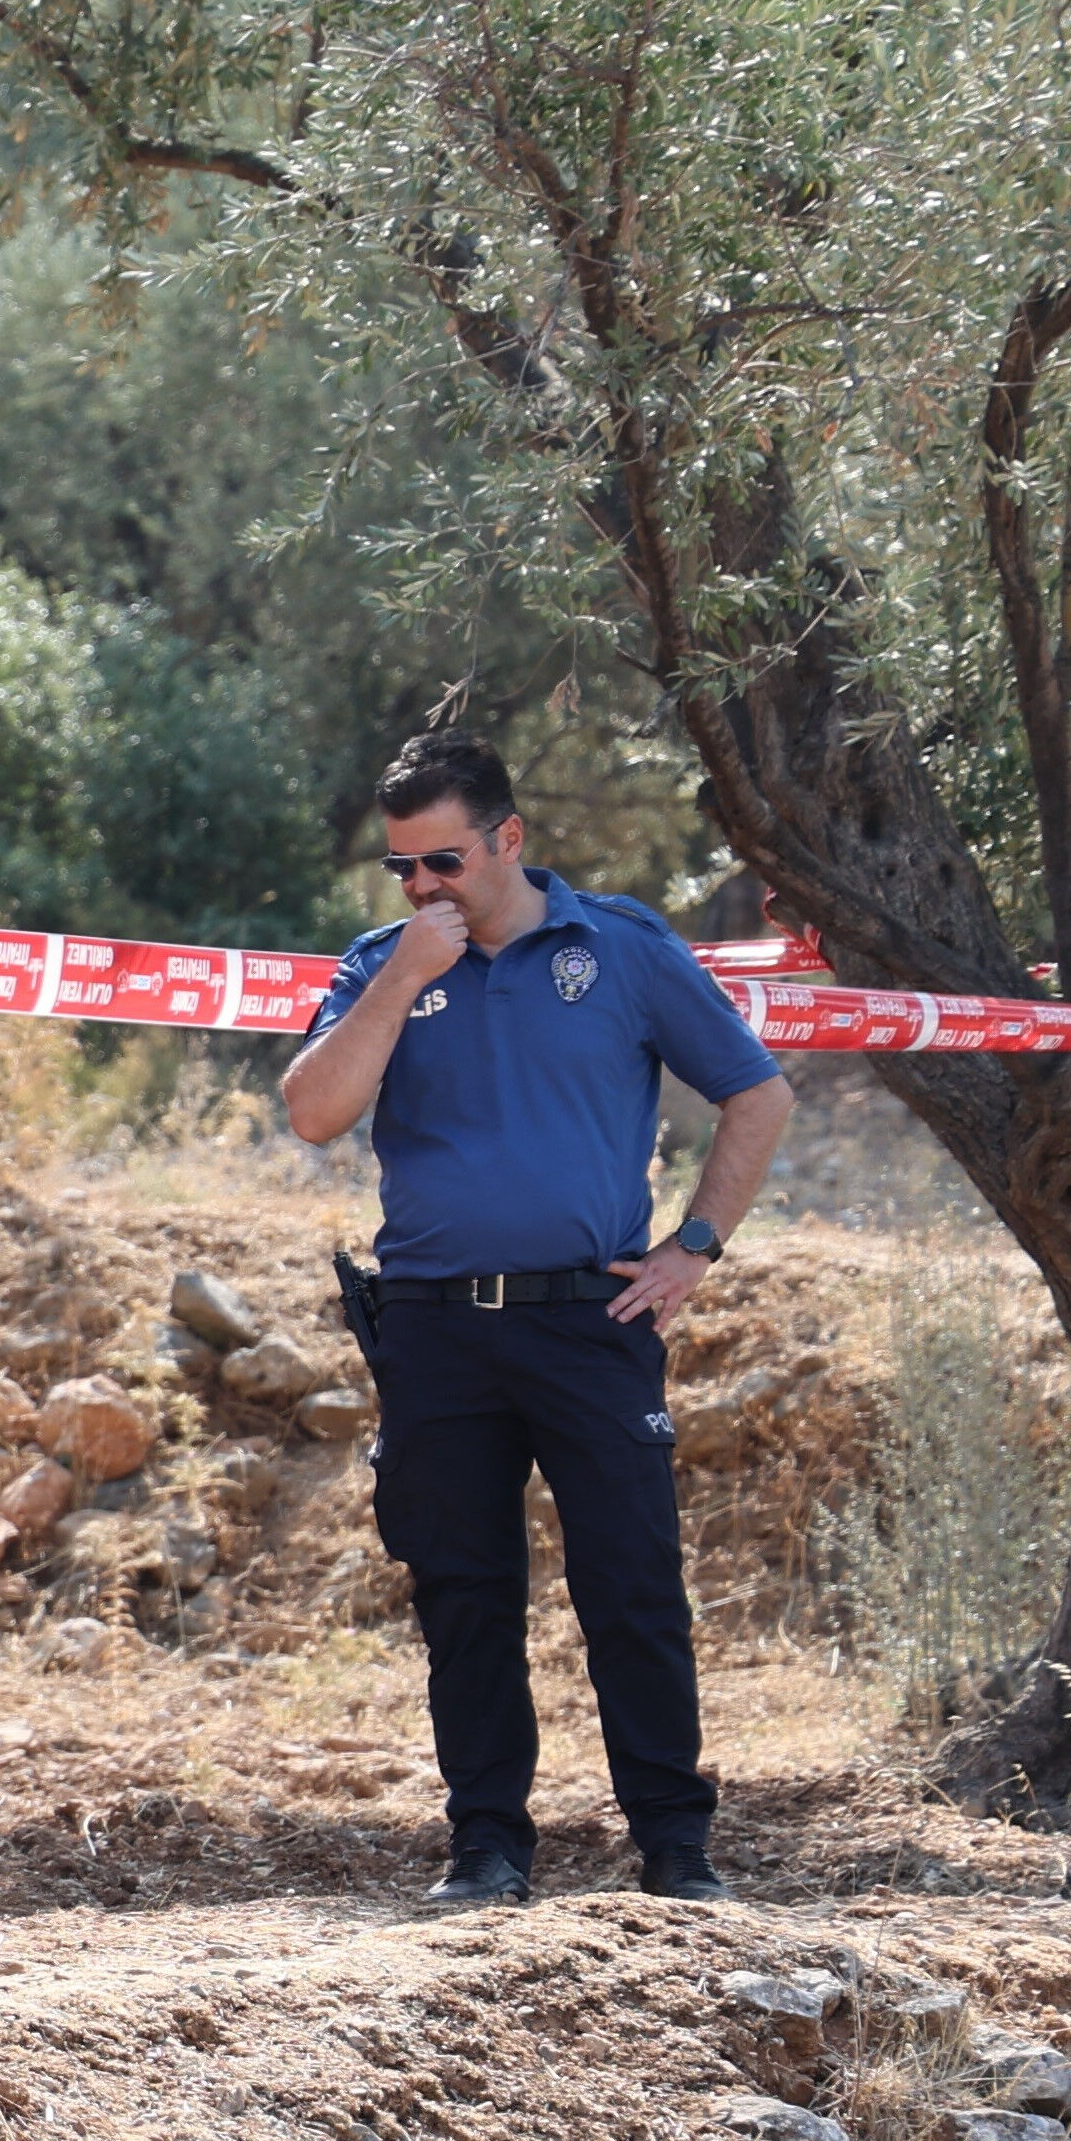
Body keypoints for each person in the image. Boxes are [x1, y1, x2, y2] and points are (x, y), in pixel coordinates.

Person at [279, 730, 794, 1907]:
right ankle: (488, 1848)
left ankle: (675, 1844)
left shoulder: (619, 947)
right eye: (403, 868)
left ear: (509, 840)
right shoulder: (381, 964)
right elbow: (313, 1111)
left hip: (589, 1321)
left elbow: (757, 1092)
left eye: (445, 862)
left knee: (633, 1586)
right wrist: (408, 972)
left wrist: (693, 1250)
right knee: (464, 1594)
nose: (422, 888)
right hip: (432, 1327)